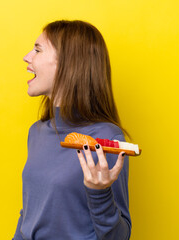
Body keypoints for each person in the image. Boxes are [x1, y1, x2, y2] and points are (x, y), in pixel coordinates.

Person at [13, 20, 131, 240]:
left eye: (37, 50)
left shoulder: (107, 139)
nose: (27, 57)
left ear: (68, 63)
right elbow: (28, 216)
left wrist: (100, 194)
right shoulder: (37, 133)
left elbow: (119, 237)